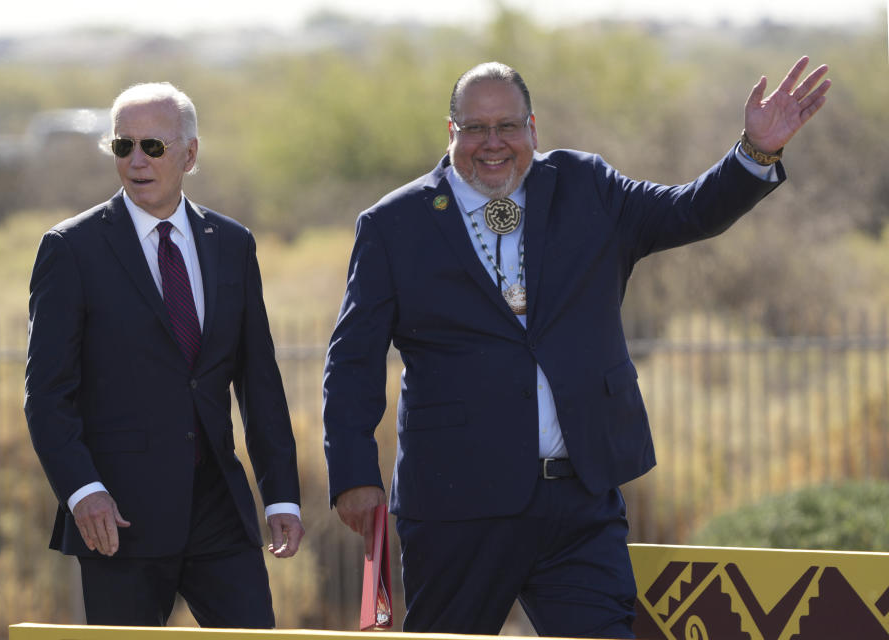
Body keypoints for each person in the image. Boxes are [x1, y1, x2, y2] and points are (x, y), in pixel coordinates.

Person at [322, 58, 829, 638]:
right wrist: (353, 472)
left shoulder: (587, 186)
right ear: (452, 132)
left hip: (580, 502)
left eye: (507, 126)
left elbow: (688, 210)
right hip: (456, 506)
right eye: (476, 128)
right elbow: (353, 359)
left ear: (533, 128)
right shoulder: (395, 224)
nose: (493, 144)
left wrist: (755, 153)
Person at [24, 82, 304, 628]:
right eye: (122, 146)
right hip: (117, 519)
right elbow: (47, 395)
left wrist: (282, 498)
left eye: (152, 146)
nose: (135, 160)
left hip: (219, 509)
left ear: (190, 154)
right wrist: (83, 491)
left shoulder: (232, 243)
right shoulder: (71, 249)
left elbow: (259, 382)